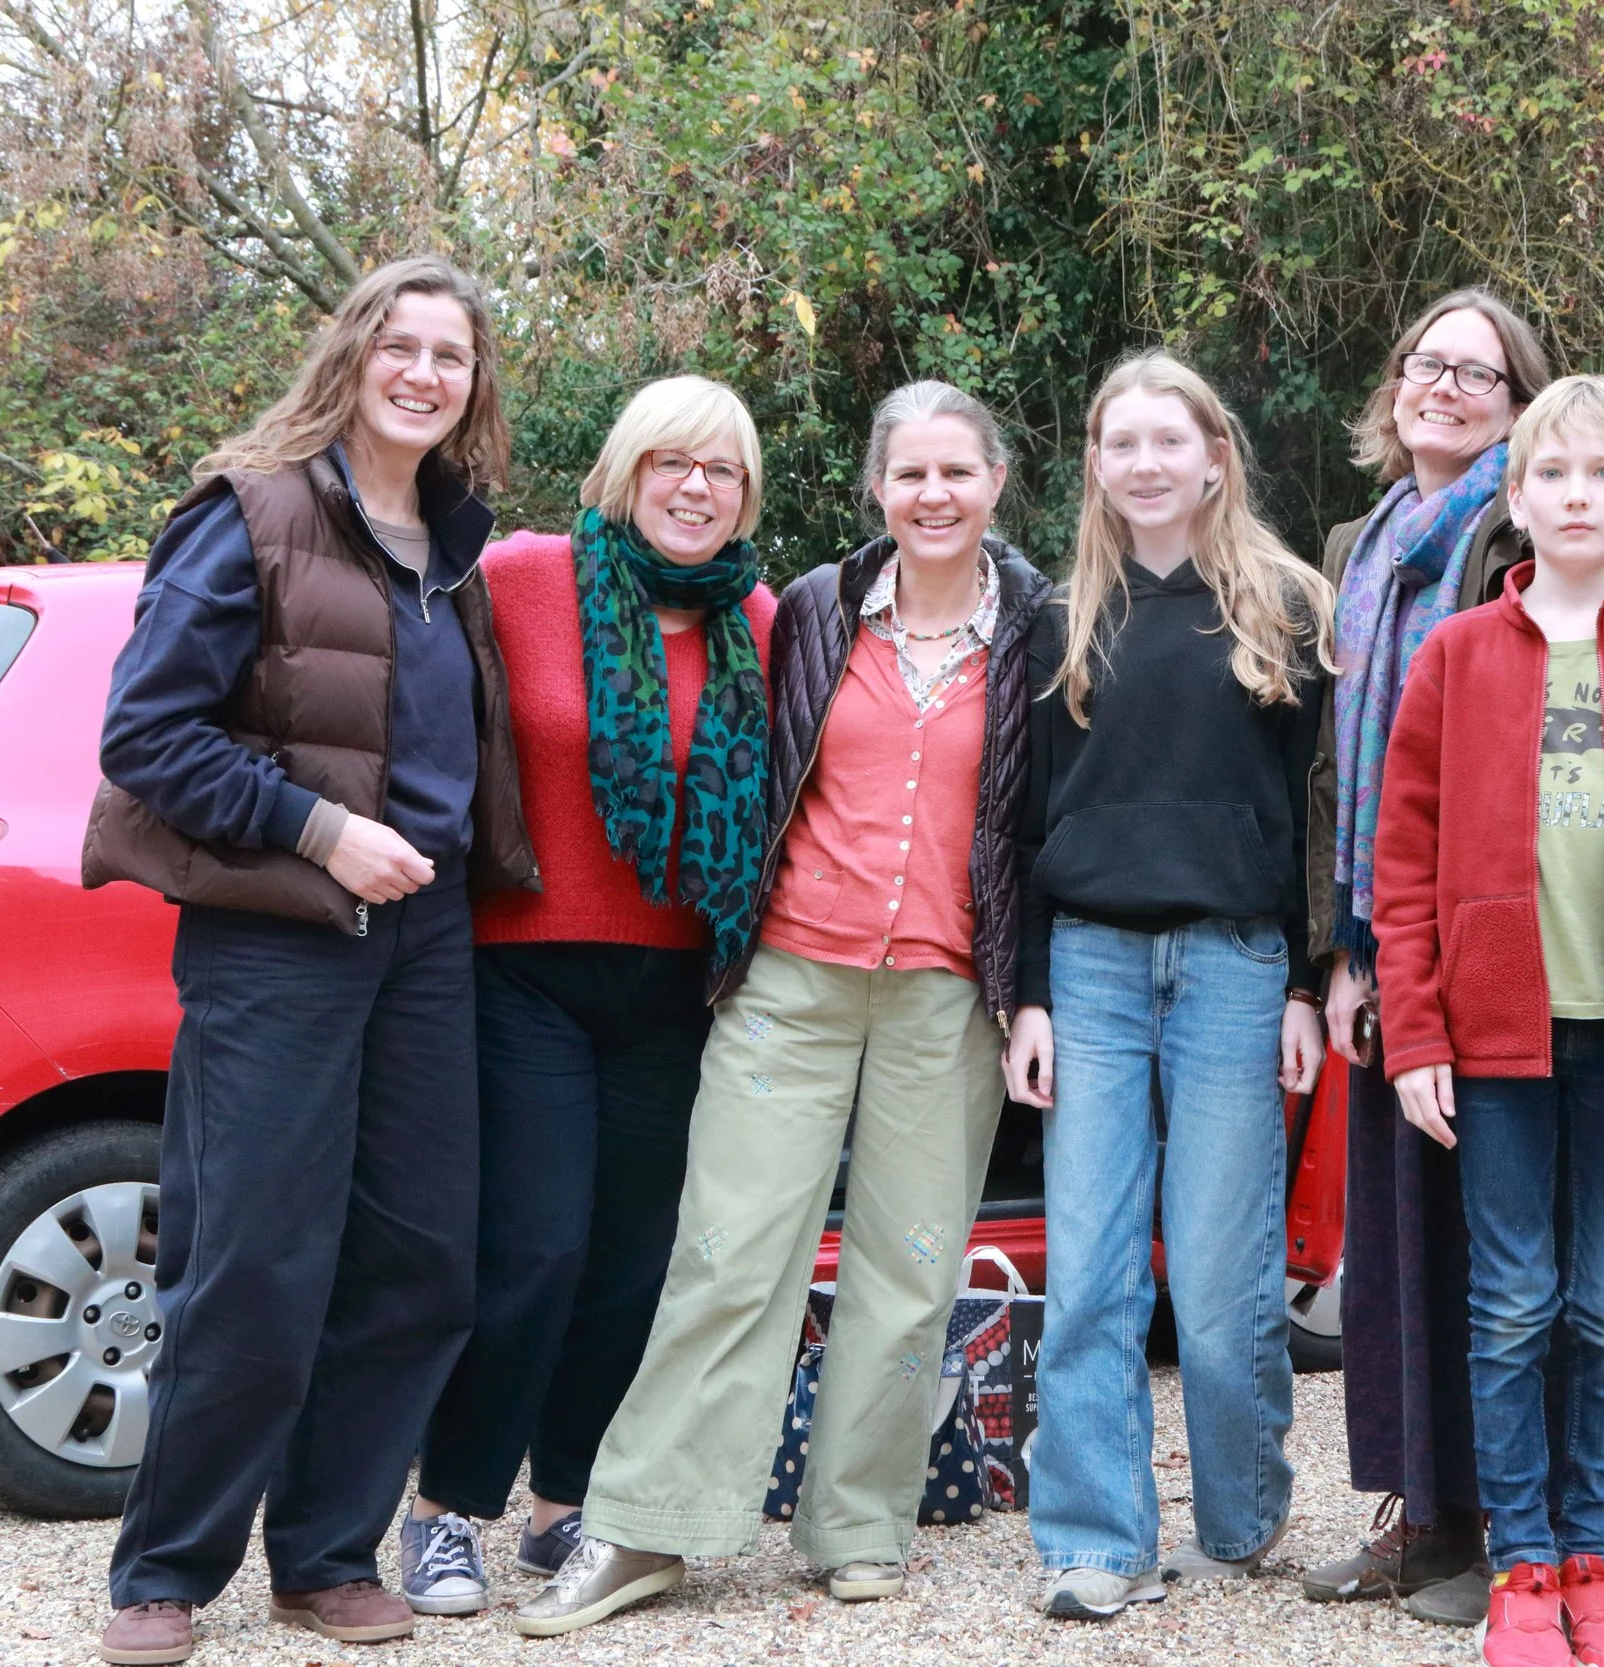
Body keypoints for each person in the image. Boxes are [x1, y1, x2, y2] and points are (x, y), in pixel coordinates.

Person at [508, 380, 1052, 1636]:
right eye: (909, 474)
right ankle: (648, 1525)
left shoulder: (1041, 625)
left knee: (909, 1268)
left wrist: (1034, 993)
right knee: (725, 1254)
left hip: (945, 993)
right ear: (876, 487)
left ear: (994, 484)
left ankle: (857, 1523)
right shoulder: (808, 607)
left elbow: (1045, 824)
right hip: (791, 980)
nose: (932, 495)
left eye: (955, 473)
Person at [82, 256, 537, 1666]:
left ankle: (328, 1554)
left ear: (473, 385)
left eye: (449, 355)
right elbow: (147, 738)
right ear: (350, 356)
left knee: (419, 1262)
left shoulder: (453, 542)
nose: (422, 372)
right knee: (255, 1263)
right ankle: (165, 1569)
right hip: (279, 938)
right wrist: (319, 827)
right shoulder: (251, 515)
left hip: (427, 940)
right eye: (399, 344)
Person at [1375, 375, 1604, 1667]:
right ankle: (1522, 1567)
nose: (1577, 495)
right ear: (1516, 496)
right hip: (1494, 1044)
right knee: (1510, 1303)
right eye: (1553, 475)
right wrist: (1417, 1034)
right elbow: (1404, 859)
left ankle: (1593, 1556)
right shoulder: (1457, 655)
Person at [393, 377, 780, 1615]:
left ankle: (569, 1500)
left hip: (675, 980)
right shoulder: (522, 578)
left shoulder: (760, 619)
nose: (694, 488)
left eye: (720, 471)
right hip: (528, 970)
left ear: (745, 496)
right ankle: (447, 1504)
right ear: (623, 470)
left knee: (630, 1258)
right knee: (535, 1245)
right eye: (670, 462)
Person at [1008, 351, 1334, 1620]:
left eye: (1167, 440)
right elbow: (1023, 818)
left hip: (1234, 964)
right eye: (1119, 441)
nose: (1144, 462)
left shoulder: (1287, 608)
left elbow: (1317, 814)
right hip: (1086, 959)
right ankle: (1094, 1536)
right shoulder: (1056, 619)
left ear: (1213, 455)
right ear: (1094, 462)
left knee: (1222, 1273)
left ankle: (1244, 1508)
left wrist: (1310, 983)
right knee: (1089, 1269)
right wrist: (1026, 992)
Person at [1300, 287, 1550, 1627]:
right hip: (1374, 929)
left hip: (1484, 932)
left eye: (1480, 373)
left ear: (1520, 403)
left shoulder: (1526, 523)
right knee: (1392, 1236)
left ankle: (1505, 1527)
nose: (1445, 386)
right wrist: (1338, 950)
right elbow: (1333, 765)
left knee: (1485, 1238)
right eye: (1428, 363)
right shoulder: (1361, 538)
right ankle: (1423, 1510)